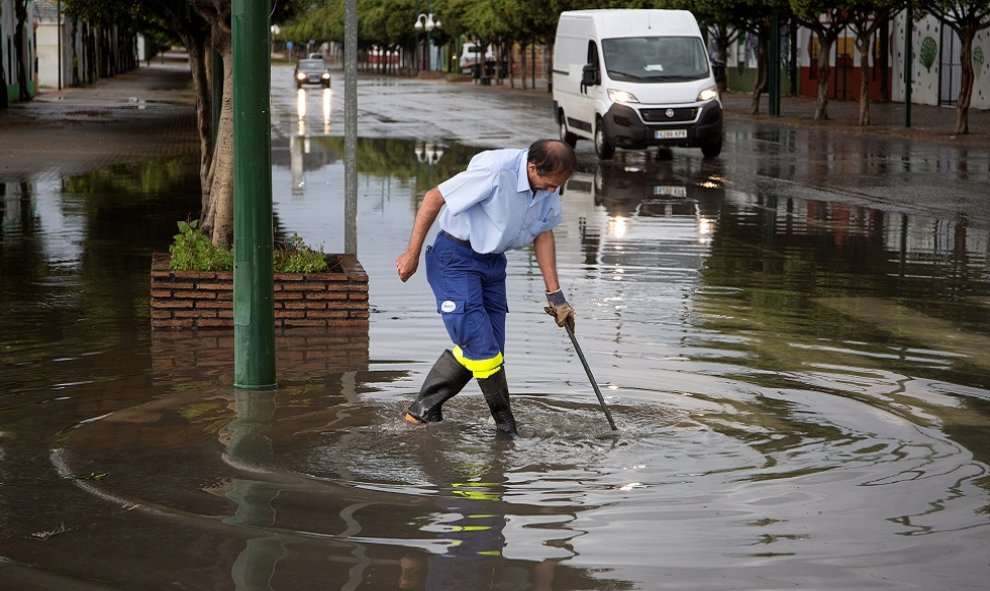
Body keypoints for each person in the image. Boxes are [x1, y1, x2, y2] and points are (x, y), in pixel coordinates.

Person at [395, 139, 578, 435]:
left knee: (490, 349)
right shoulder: (495, 171)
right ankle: (506, 428)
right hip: (455, 259)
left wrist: (556, 296)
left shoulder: (549, 186)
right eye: (549, 184)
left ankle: (422, 410)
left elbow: (544, 233)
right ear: (532, 168)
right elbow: (433, 198)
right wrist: (411, 254)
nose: (553, 191)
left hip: (492, 265)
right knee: (484, 351)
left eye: (558, 186)